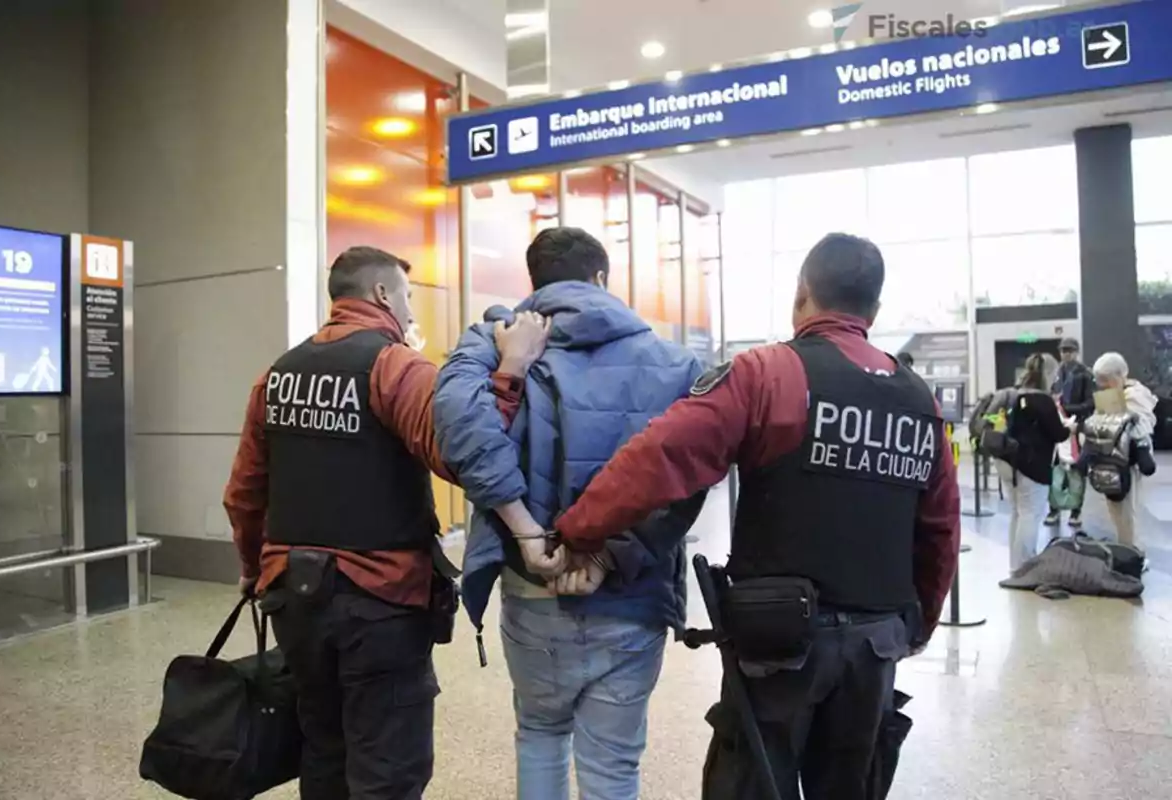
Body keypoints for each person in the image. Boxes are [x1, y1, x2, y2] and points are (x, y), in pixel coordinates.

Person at [547, 233, 961, 800]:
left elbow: (663, 456)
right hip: (875, 645)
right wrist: (920, 624)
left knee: (748, 785)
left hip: (778, 644)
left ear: (801, 296)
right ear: (875, 310)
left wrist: (579, 529)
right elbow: (939, 526)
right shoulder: (921, 401)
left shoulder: (770, 375)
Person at [223, 245, 550, 800]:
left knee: (323, 750)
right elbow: (461, 452)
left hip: (293, 597)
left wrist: (255, 569)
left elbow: (245, 494)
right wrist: (507, 377)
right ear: (381, 294)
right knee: (388, 768)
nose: (409, 308)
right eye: (406, 295)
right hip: (380, 602)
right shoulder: (395, 366)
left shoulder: (276, 376)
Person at [433, 226, 704, 800]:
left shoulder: (494, 342)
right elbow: (690, 480)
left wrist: (529, 535)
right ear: (602, 279)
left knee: (539, 733)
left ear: (535, 284)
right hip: (633, 596)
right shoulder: (677, 364)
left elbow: (459, 424)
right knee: (613, 769)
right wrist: (609, 553)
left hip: (531, 587)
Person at [987, 354, 1070, 575]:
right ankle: (1026, 566)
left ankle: (1015, 565)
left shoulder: (1015, 394)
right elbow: (1058, 433)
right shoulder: (1042, 400)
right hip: (1031, 464)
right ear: (1049, 374)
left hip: (1007, 460)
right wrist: (1071, 428)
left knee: (1017, 512)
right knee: (1031, 514)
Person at [1082, 352, 1157, 548]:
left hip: (1128, 462)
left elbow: (1142, 427)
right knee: (1115, 513)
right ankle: (1124, 549)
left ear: (1121, 374)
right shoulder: (1111, 396)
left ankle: (1133, 554)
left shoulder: (1137, 396)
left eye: (1105, 380)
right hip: (1109, 462)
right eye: (1098, 380)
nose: (1101, 384)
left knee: (1127, 514)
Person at [1045, 337, 1094, 528]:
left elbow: (1091, 403)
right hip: (1057, 429)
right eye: (1063, 350)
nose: (1066, 354)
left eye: (1070, 350)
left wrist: (1069, 408)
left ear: (1076, 352)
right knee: (1055, 469)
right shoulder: (1056, 374)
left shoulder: (1085, 374)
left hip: (1076, 429)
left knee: (1077, 471)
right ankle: (1054, 509)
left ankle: (1076, 511)